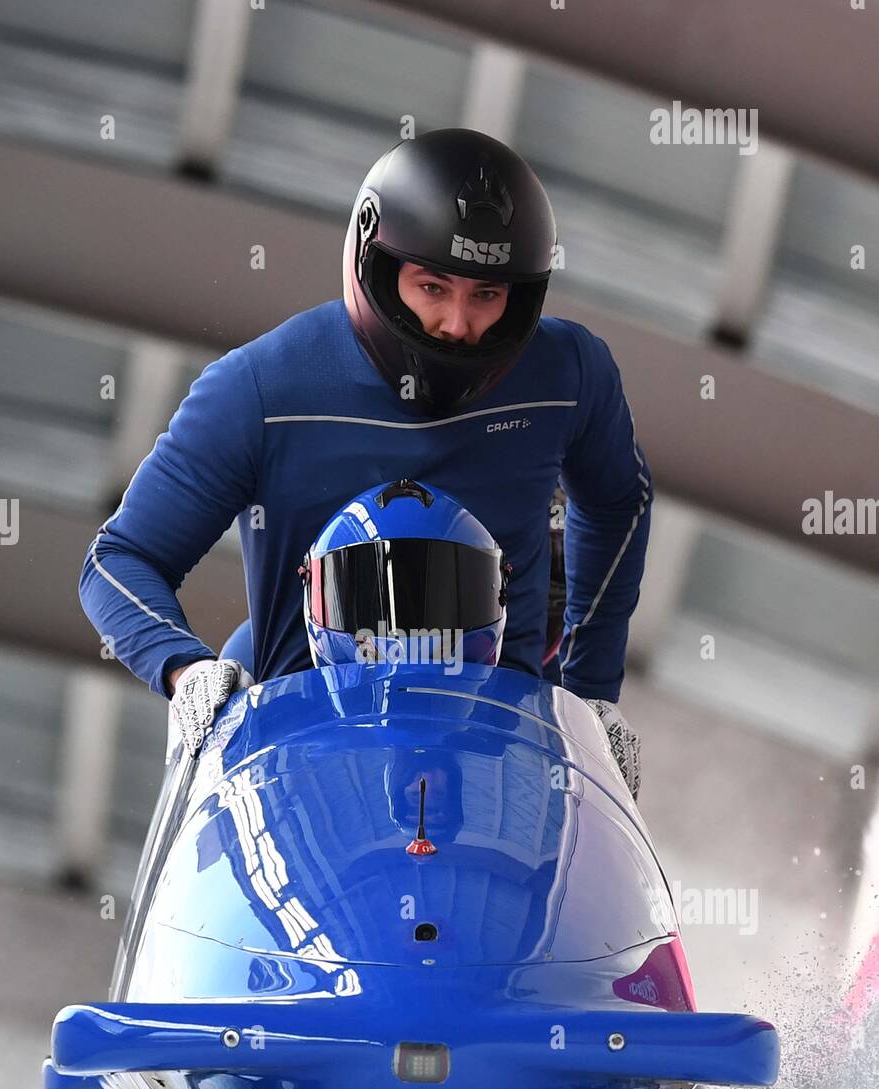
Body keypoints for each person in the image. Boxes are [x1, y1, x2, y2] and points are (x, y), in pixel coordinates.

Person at [79, 128, 650, 796]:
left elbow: (618, 501)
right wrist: (185, 670)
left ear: (521, 296)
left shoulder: (570, 373)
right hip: (304, 769)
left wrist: (589, 696)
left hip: (505, 758)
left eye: (486, 296)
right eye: (432, 287)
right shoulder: (262, 390)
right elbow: (118, 561)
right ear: (378, 264)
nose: (459, 325)